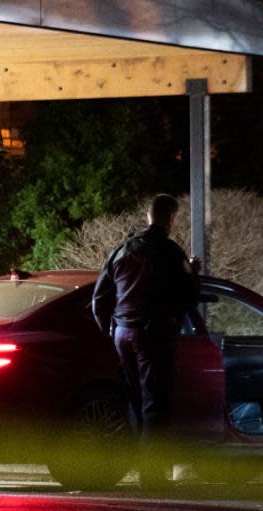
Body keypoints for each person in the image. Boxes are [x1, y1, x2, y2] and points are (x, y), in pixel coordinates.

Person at [92, 194, 200, 482]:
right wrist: (194, 274)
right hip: (153, 336)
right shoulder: (170, 252)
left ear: (148, 217)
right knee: (155, 402)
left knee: (135, 400)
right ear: (171, 219)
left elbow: (99, 299)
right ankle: (152, 476)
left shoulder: (121, 250)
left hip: (123, 334)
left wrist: (111, 329)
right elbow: (189, 298)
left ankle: (140, 468)